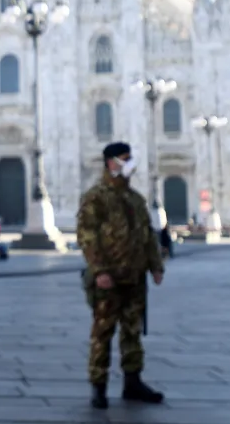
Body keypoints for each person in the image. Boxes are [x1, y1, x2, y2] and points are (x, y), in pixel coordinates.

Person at [76, 142, 165, 410]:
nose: (129, 164)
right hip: (108, 280)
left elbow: (147, 235)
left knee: (132, 332)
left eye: (130, 159)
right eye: (124, 160)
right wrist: (100, 270)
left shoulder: (135, 199)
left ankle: (133, 382)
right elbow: (87, 236)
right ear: (110, 163)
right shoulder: (96, 197)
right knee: (102, 333)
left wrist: (155, 265)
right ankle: (98, 387)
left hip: (135, 278)